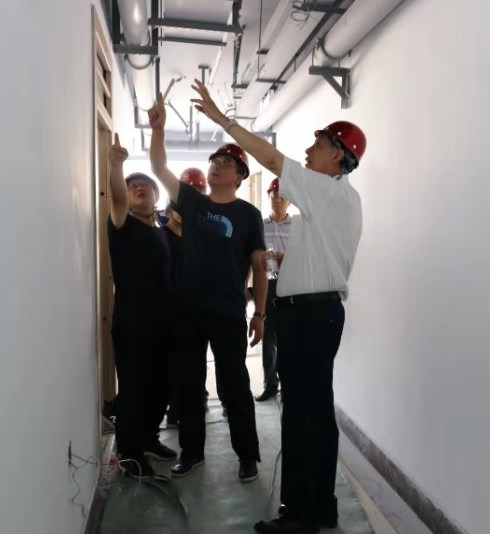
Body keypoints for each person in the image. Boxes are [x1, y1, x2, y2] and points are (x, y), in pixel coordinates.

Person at [191, 80, 366, 533]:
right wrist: (289, 263)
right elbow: (326, 259)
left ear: (338, 157)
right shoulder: (336, 200)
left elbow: (271, 159)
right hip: (311, 315)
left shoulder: (328, 191)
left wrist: (224, 120)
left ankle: (304, 515)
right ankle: (314, 508)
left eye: (318, 144)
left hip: (311, 317)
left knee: (306, 416)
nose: (308, 150)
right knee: (310, 414)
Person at [148, 92, 268, 483]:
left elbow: (259, 266)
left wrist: (260, 313)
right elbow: (159, 166)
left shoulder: (248, 215)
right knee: (189, 383)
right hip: (188, 310)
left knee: (234, 385)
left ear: (239, 176)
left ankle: (247, 455)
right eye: (214, 162)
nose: (216, 167)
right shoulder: (192, 201)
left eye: (226, 164)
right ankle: (192, 452)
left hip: (228, 311)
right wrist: (158, 129)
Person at [107, 134, 178, 481]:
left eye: (145, 185)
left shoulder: (161, 230)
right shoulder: (122, 224)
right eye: (132, 185)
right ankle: (130, 455)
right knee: (134, 390)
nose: (138, 188)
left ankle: (149, 439)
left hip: (163, 323)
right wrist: (116, 166)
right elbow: (117, 198)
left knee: (160, 386)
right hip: (132, 323)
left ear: (156, 196)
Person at [164, 168, 207, 427]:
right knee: (174, 360)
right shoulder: (162, 235)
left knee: (197, 360)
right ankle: (175, 406)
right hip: (171, 310)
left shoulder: (199, 235)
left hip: (196, 309)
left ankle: (196, 401)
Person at [255, 178, 293, 402]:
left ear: (290, 201)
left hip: (290, 285)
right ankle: (270, 384)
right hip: (266, 284)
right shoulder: (259, 225)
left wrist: (282, 257)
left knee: (288, 337)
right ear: (268, 196)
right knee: (267, 337)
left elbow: (303, 255)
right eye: (274, 195)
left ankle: (288, 383)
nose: (278, 200)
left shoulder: (297, 227)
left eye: (283, 196)